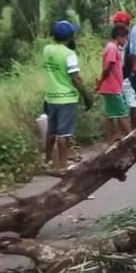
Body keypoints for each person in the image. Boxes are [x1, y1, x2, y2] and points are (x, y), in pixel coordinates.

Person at [42, 20, 94, 172]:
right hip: (66, 97)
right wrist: (86, 95)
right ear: (70, 36)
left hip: (50, 96)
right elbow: (75, 78)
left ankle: (47, 161)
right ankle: (64, 165)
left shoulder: (47, 49)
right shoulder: (69, 54)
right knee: (63, 133)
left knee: (51, 132)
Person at [97, 24, 131, 143]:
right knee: (122, 114)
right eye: (125, 38)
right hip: (112, 87)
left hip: (110, 86)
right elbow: (107, 68)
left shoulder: (110, 47)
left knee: (111, 114)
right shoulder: (112, 48)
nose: (125, 41)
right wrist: (102, 80)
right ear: (119, 36)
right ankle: (132, 138)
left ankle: (111, 138)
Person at [110, 11, 136, 124]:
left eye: (116, 22)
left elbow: (132, 55)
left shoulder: (130, 37)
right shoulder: (117, 36)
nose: (115, 24)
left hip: (126, 74)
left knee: (131, 102)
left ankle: (132, 127)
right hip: (118, 75)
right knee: (121, 104)